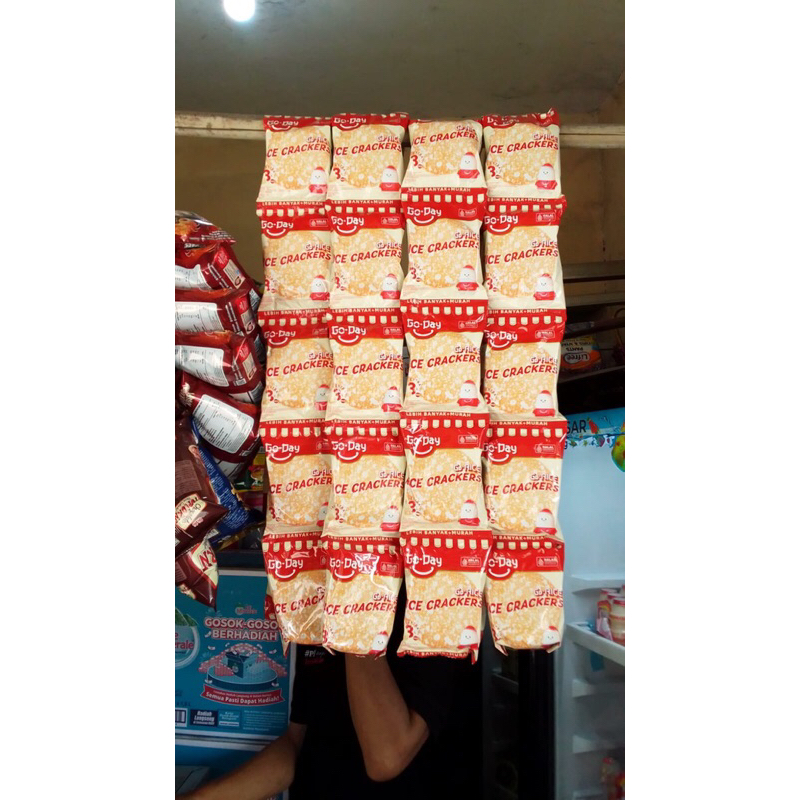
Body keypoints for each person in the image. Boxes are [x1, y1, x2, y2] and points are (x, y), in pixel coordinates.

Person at [183, 586, 482, 799]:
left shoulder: (433, 605)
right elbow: (296, 745)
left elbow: (385, 759)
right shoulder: (322, 608)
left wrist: (354, 602)